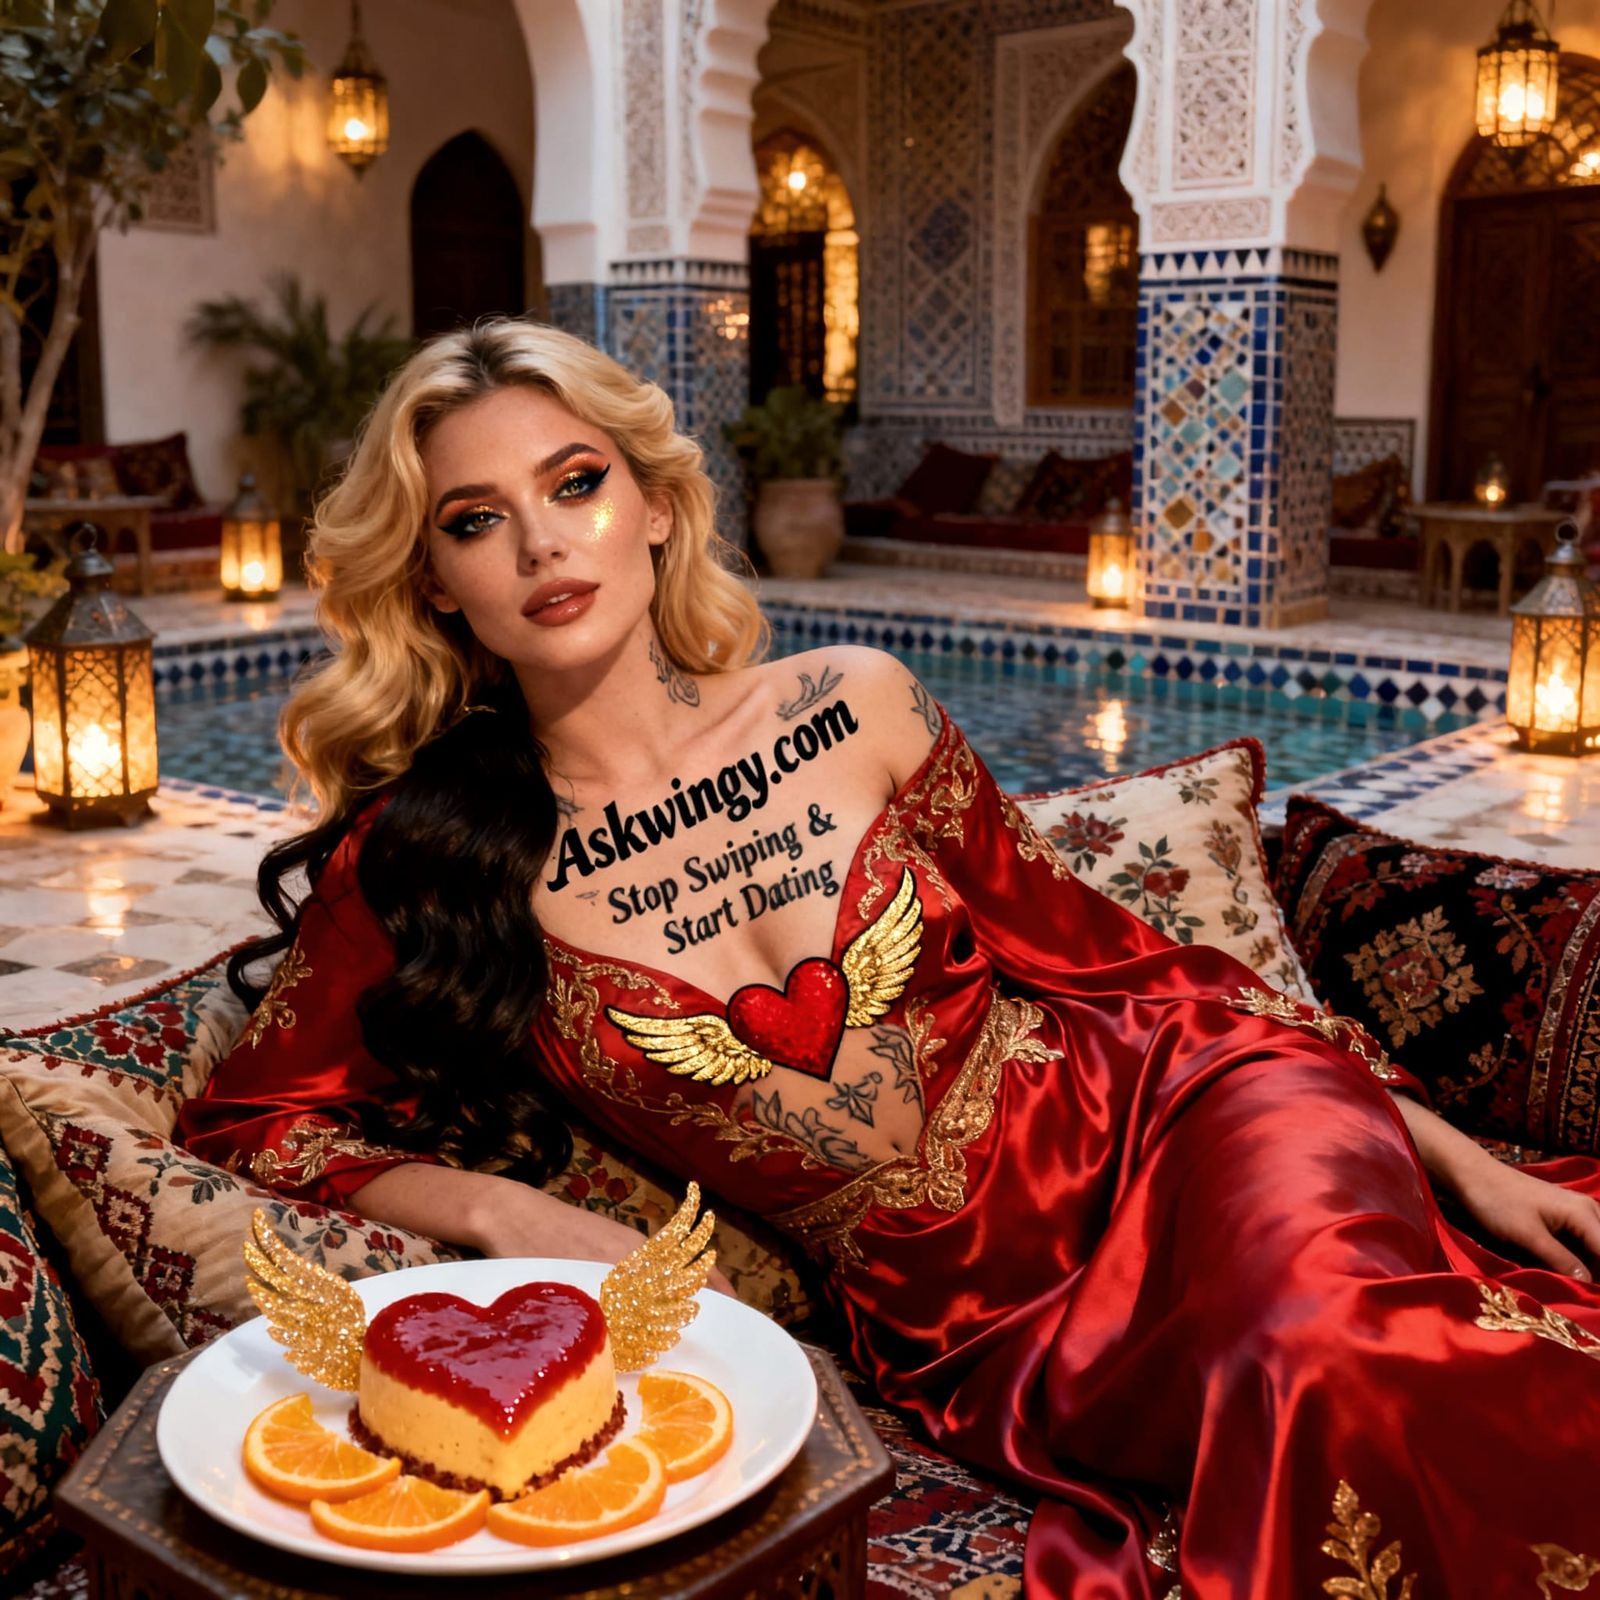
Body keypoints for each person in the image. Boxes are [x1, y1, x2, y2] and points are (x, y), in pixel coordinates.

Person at [178, 320, 1600, 1596]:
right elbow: (250, 1120)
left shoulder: (855, 703)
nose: (545, 546)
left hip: (1185, 1118)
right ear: (431, 581)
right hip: (981, 1335)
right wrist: (495, 1211)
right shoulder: (439, 864)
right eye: (477, 520)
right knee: (1308, 1373)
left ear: (658, 509)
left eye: (577, 484)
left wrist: (1454, 1155)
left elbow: (1119, 967)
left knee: (1334, 1356)